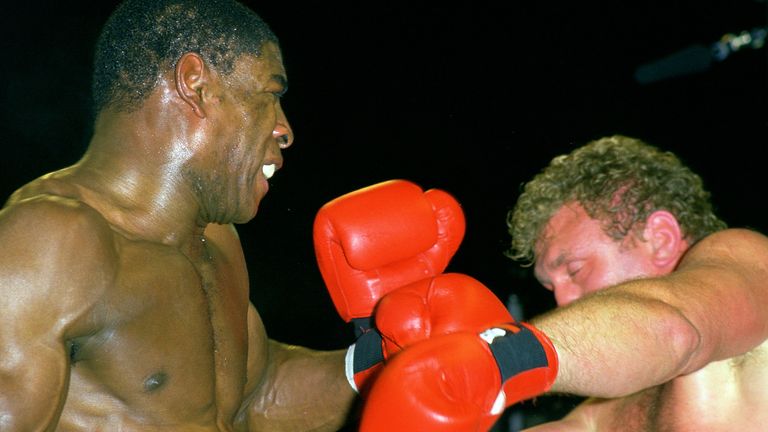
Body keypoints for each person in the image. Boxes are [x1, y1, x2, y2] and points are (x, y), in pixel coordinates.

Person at [0, 1, 358, 430]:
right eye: (270, 95)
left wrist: (379, 360)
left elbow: (252, 398)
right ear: (196, 84)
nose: (285, 130)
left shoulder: (216, 239)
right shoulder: (49, 241)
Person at [505, 135, 768, 430]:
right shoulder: (606, 410)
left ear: (660, 239)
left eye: (575, 270)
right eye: (551, 287)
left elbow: (673, 329)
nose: (562, 301)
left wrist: (502, 355)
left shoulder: (748, 259)